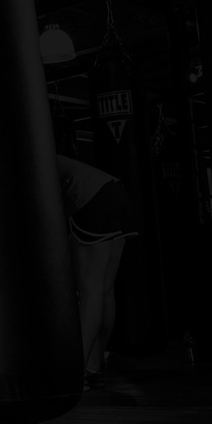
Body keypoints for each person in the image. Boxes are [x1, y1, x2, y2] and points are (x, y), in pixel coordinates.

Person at [56, 153, 139, 391]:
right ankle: (93, 366)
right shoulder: (42, 152)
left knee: (90, 291)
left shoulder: (22, 156)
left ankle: (76, 373)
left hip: (91, 197)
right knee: (104, 290)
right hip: (116, 191)